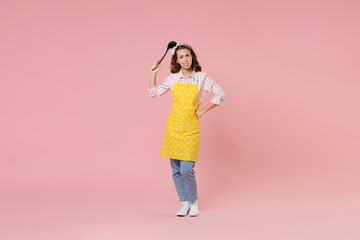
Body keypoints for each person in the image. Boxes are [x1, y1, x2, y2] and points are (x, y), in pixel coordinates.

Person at [148, 42, 226, 217]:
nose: (185, 59)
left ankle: (193, 201)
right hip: (173, 128)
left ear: (193, 57)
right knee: (176, 170)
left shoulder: (201, 78)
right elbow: (154, 93)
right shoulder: (174, 78)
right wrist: (153, 74)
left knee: (186, 169)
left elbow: (221, 94)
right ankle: (184, 203)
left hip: (190, 128)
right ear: (176, 60)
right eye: (181, 57)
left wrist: (203, 110)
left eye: (187, 56)